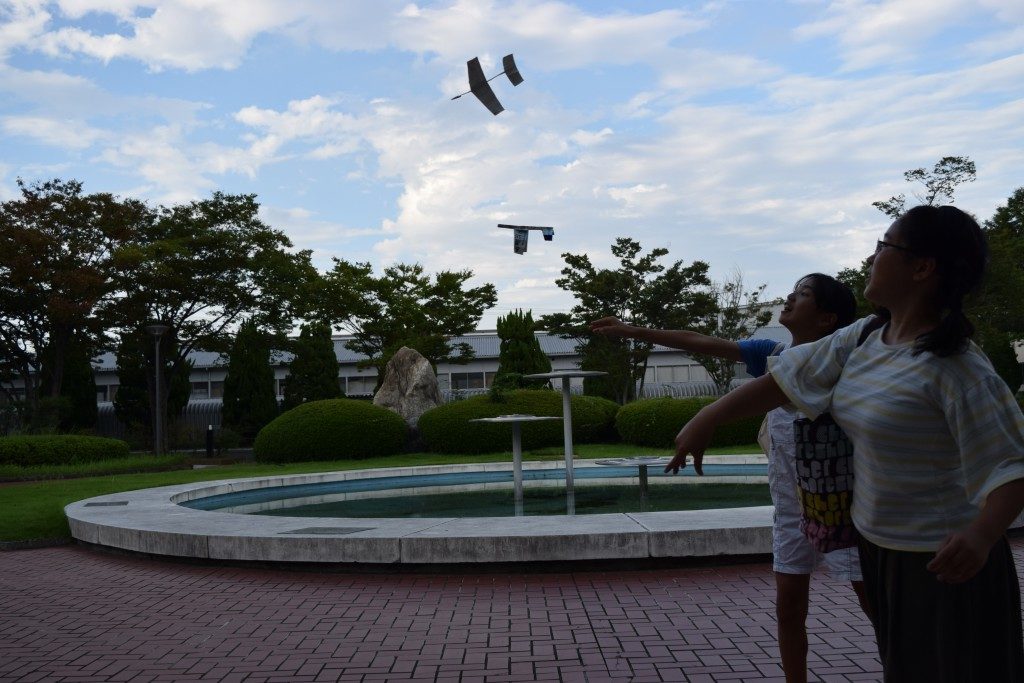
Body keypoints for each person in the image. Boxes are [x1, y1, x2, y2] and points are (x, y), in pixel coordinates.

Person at [669, 205, 1024, 682]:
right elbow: (787, 379)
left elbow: (1012, 464)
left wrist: (982, 536)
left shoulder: (957, 367)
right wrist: (708, 416)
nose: (871, 257)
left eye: (884, 246)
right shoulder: (867, 336)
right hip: (881, 550)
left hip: (944, 563)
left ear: (922, 268)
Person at [590, 273, 869, 683]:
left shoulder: (841, 363)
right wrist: (632, 330)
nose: (790, 297)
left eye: (804, 294)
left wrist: (707, 419)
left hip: (843, 508)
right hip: (791, 509)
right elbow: (700, 341)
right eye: (793, 289)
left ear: (828, 319)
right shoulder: (774, 352)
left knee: (876, 605)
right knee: (789, 608)